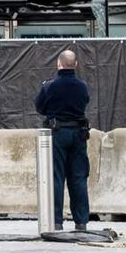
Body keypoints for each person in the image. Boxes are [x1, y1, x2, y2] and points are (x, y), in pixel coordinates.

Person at [35, 49, 91, 231]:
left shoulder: (49, 86)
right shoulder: (82, 86)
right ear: (75, 65)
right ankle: (81, 222)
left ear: (58, 64)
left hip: (57, 133)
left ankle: (56, 221)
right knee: (78, 178)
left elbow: (40, 107)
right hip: (79, 134)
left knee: (56, 177)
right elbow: (85, 102)